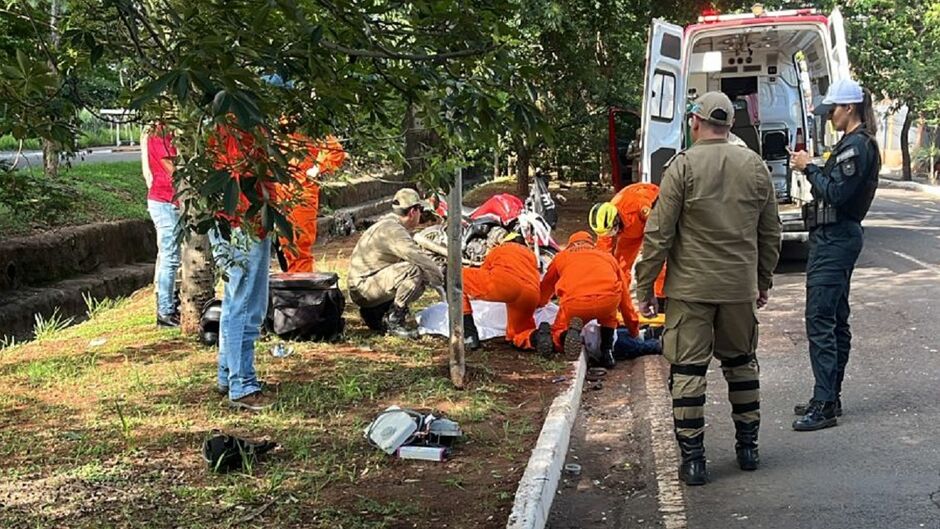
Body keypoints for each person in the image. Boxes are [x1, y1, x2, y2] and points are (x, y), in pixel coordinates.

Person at [634, 91, 781, 485]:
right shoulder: (754, 166)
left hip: (691, 291)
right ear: (731, 125)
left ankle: (694, 461)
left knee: (687, 372)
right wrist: (761, 281)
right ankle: (748, 450)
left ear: (695, 123)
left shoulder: (681, 167)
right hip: (738, 289)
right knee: (742, 365)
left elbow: (659, 233)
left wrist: (644, 286)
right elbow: (770, 233)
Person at [789, 79, 881, 432]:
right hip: (832, 237)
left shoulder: (856, 147)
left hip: (837, 238)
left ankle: (825, 403)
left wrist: (808, 167)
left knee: (821, 320)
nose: (829, 116)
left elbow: (838, 195)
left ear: (850, 109)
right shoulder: (849, 144)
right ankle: (828, 396)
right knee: (834, 318)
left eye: (833, 110)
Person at [206, 120, 278, 412]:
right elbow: (244, 176)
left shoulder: (219, 122)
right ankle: (243, 384)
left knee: (237, 301)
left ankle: (228, 374)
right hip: (243, 222)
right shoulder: (242, 126)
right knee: (246, 305)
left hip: (231, 221)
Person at [348, 188, 444, 338]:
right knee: (414, 271)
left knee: (415, 272)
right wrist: (442, 279)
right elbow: (418, 257)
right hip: (365, 288)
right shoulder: (394, 230)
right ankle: (395, 320)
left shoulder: (388, 223)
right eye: (420, 210)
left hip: (365, 286)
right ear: (413, 212)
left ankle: (377, 313)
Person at [539, 231, 634, 367]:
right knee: (610, 313)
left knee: (558, 329)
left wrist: (539, 304)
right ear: (591, 244)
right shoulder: (607, 257)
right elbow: (625, 298)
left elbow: (546, 287)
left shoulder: (562, 257)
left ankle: (565, 337)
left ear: (571, 244)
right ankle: (607, 351)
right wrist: (633, 328)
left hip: (576, 305)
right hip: (607, 303)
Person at [590, 183, 665, 336]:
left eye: (612, 231)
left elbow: (659, 231)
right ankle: (617, 311)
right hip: (630, 232)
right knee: (619, 269)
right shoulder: (606, 224)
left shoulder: (639, 204)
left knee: (660, 266)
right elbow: (604, 256)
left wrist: (650, 254)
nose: (611, 236)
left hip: (653, 224)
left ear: (616, 220)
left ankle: (661, 311)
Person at [461, 232, 549, 354]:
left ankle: (469, 335)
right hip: (530, 294)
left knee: (457, 277)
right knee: (519, 333)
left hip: (504, 285)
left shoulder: (499, 249)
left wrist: (475, 293)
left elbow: (483, 273)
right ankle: (536, 338)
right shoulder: (531, 255)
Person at [277, 134, 346, 273]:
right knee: (284, 247)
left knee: (299, 246)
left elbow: (335, 151)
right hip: (280, 192)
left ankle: (302, 289)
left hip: (302, 192)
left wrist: (317, 169)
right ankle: (292, 288)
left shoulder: (308, 123)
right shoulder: (278, 121)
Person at [145, 123, 181, 328]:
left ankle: (171, 306)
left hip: (174, 201)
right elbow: (171, 168)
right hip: (164, 201)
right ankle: (165, 311)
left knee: (175, 258)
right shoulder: (159, 136)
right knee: (170, 257)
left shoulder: (175, 134)